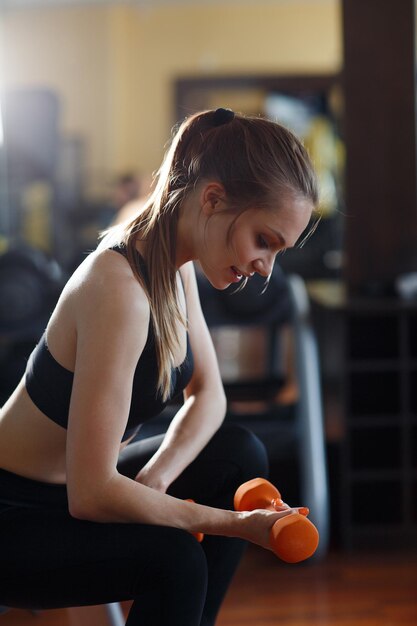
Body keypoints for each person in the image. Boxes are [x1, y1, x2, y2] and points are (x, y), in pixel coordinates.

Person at [0, 108, 318, 626]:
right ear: (212, 199)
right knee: (175, 560)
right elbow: (93, 492)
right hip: (17, 511)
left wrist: (156, 477)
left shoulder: (176, 267)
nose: (266, 268)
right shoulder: (118, 286)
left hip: (73, 491)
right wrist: (233, 523)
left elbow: (210, 395)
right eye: (264, 241)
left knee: (240, 452)